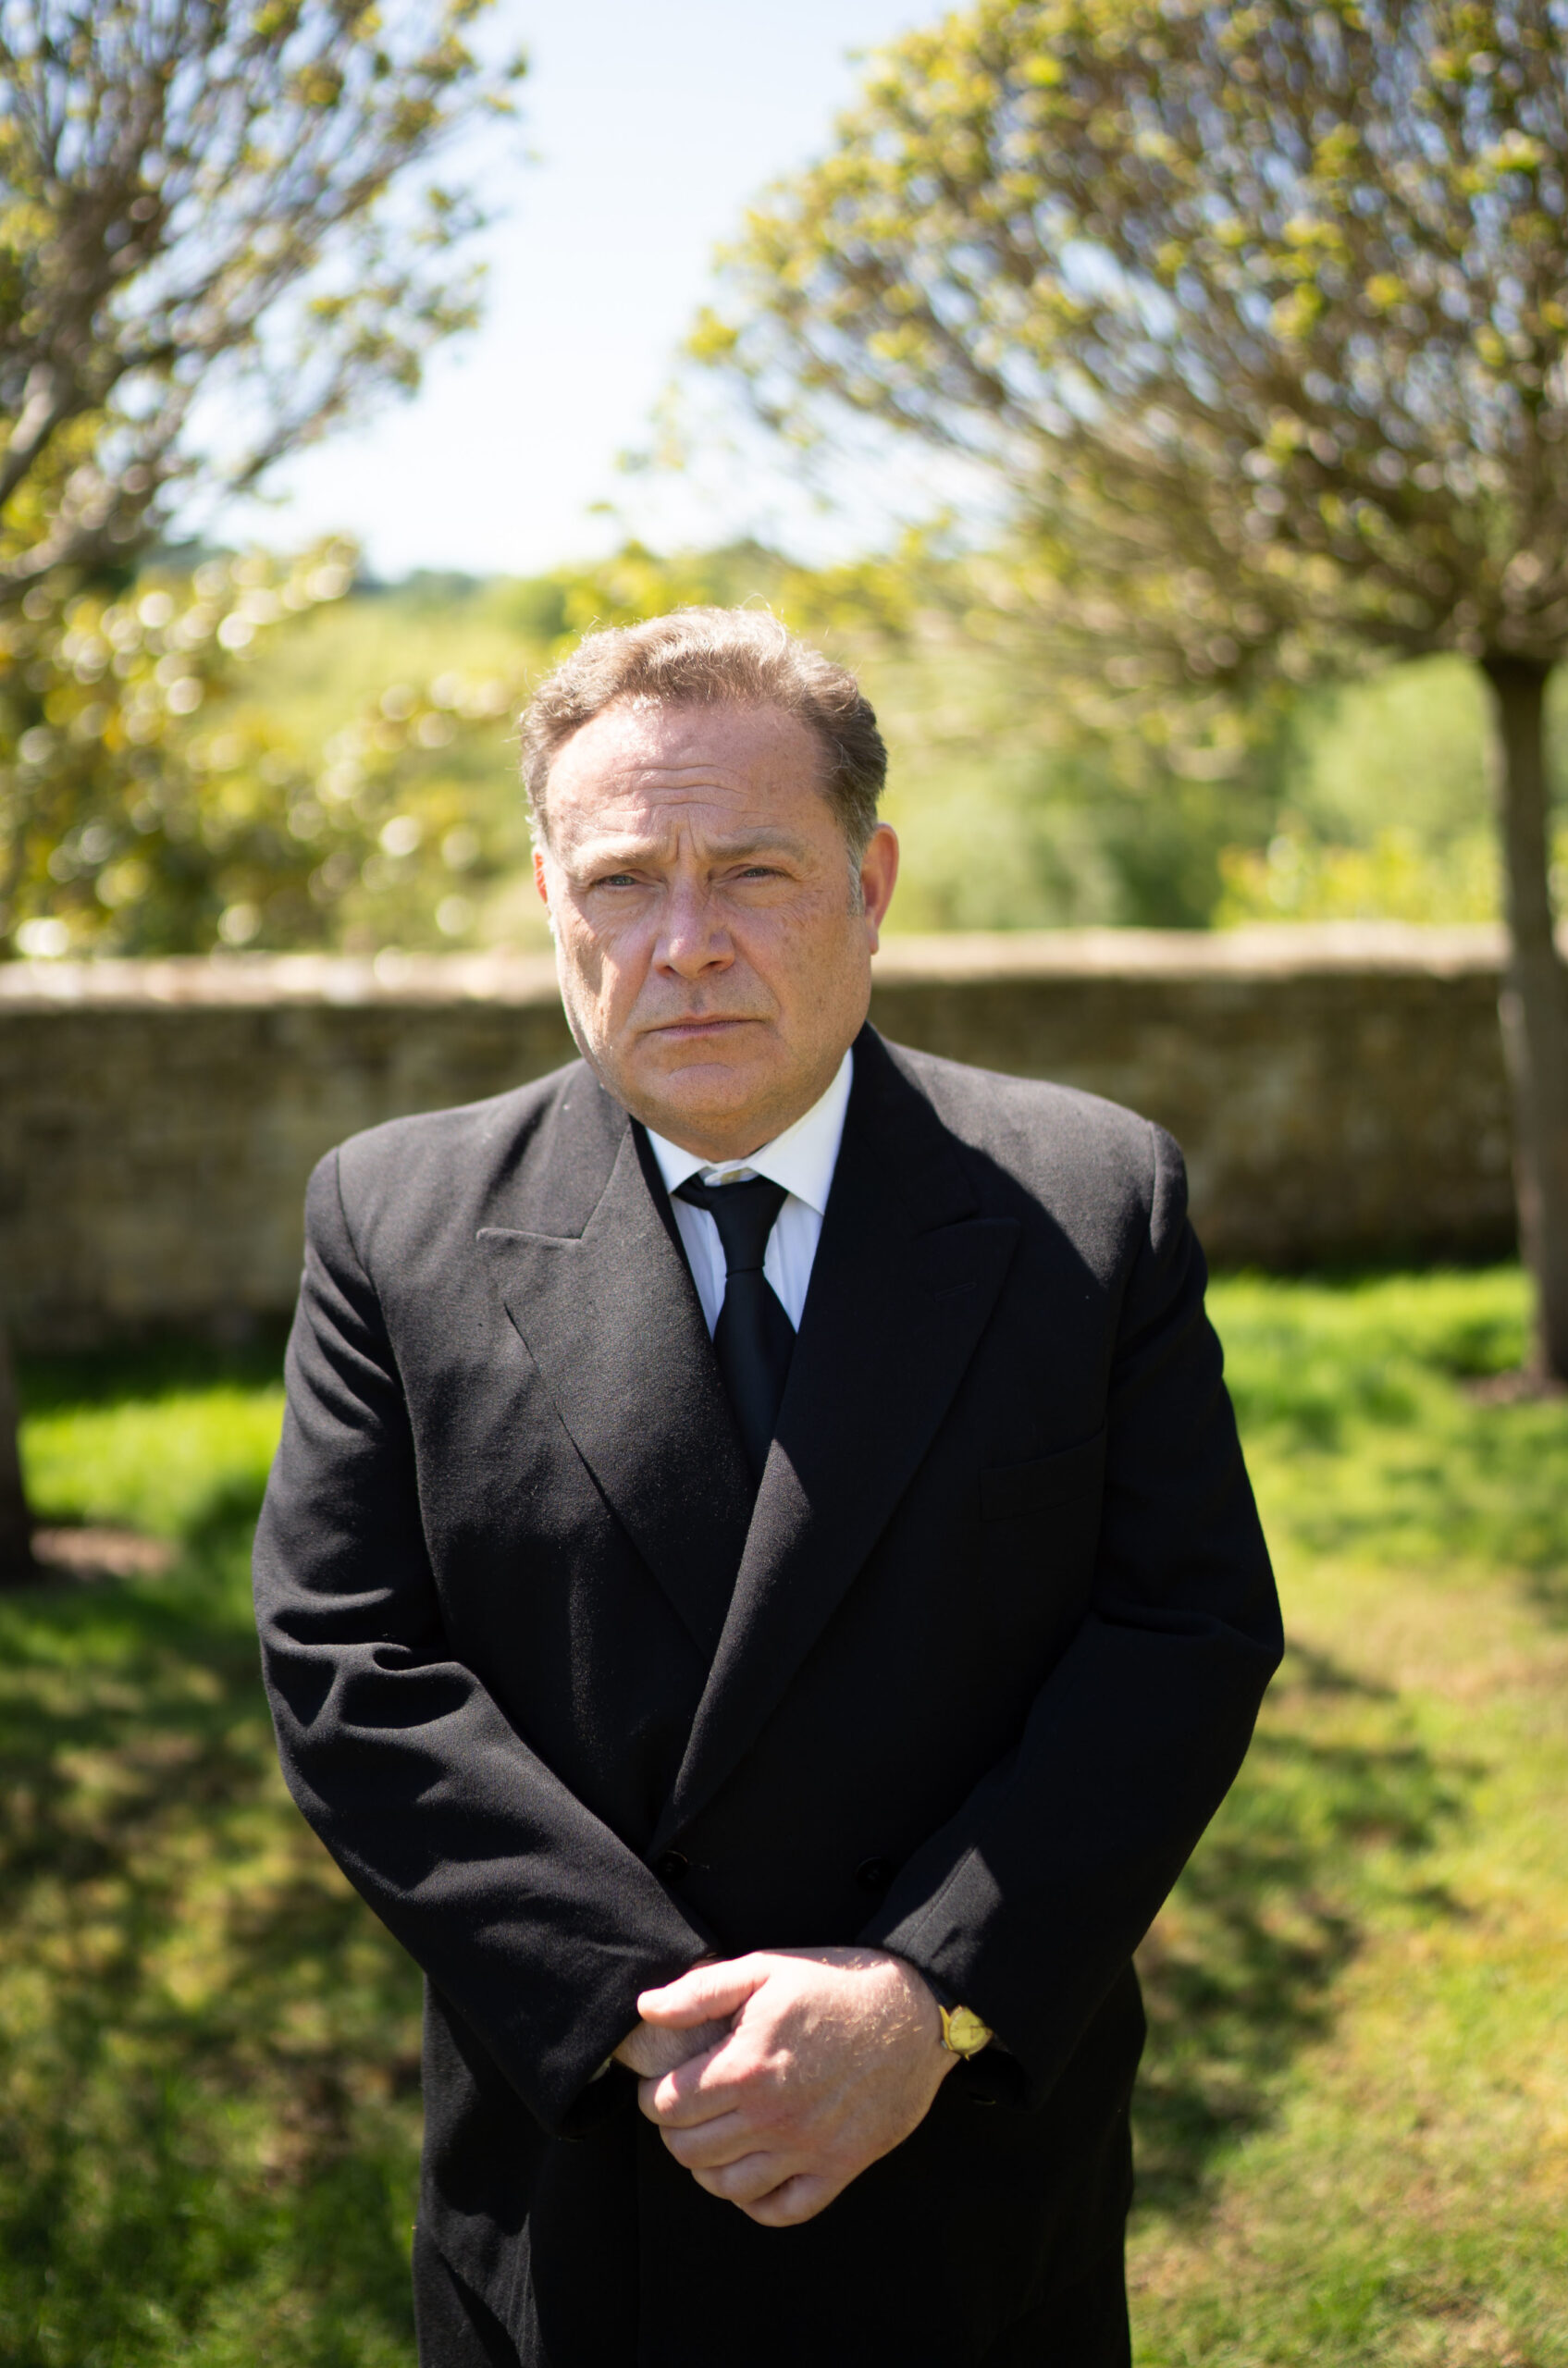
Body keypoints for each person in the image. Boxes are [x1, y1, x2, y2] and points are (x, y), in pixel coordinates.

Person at [253, 608, 1281, 2368]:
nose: (687, 944)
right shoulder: (392, 1220)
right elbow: (351, 1669)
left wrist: (926, 1995)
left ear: (871, 884)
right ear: (550, 899)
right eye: (623, 881)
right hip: (585, 2174)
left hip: (965, 2179)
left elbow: (1179, 1634)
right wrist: (651, 2023)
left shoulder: (1093, 1202)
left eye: (753, 871)